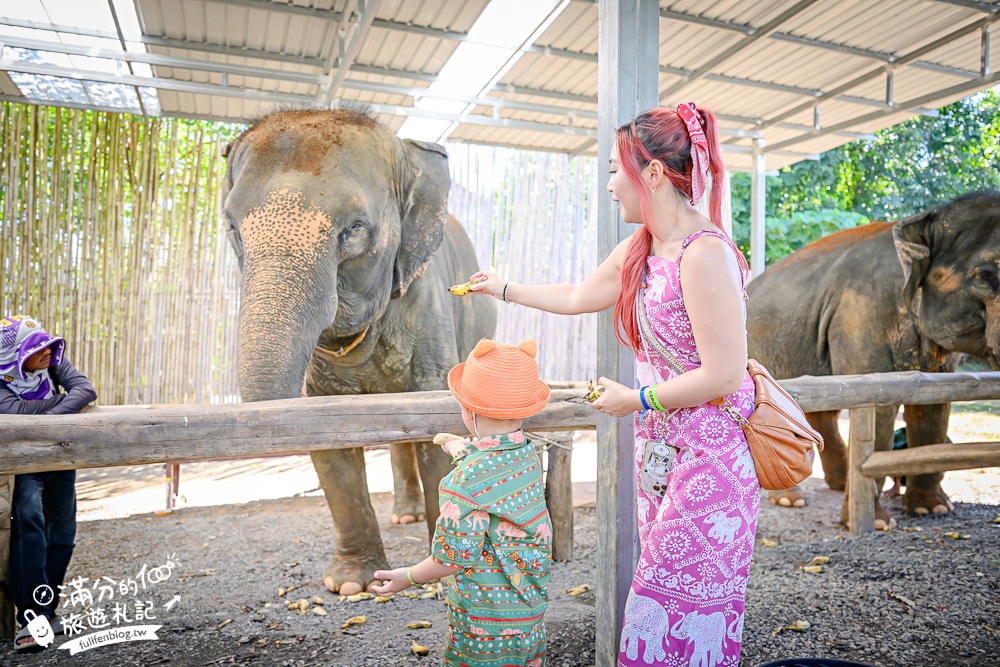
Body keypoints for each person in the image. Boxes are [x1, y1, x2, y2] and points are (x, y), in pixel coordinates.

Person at [469, 104, 760, 666]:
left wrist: (639, 399)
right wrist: (504, 288)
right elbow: (581, 296)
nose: (608, 184)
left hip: (712, 456)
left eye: (612, 169)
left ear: (650, 173)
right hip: (663, 451)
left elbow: (725, 374)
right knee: (658, 603)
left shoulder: (704, 255)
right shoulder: (642, 247)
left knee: (674, 602)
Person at [373, 338, 552, 667]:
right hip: (528, 617)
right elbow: (493, 463)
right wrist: (459, 447)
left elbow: (453, 559)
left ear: (467, 411)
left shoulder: (462, 484)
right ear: (527, 408)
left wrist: (409, 576)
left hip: (485, 627)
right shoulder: (525, 454)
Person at [0, 315, 97, 651]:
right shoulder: (1, 376)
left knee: (63, 535)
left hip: (60, 454)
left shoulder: (52, 360)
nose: (48, 350)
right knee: (29, 526)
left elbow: (86, 389)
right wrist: (60, 405)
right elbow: (9, 409)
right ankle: (31, 619)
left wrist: (43, 418)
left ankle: (47, 611)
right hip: (25, 462)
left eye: (47, 343)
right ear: (14, 354)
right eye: (36, 346)